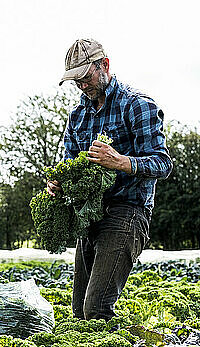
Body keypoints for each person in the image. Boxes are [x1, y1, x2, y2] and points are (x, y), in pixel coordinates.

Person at [47, 39, 173, 321]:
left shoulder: (137, 105)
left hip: (127, 211)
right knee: (80, 314)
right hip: (89, 217)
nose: (81, 85)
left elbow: (163, 163)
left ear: (104, 65)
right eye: (75, 80)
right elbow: (69, 163)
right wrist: (58, 181)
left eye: (85, 77)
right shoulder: (78, 116)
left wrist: (121, 161)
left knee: (96, 310)